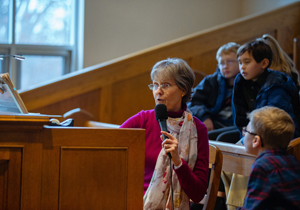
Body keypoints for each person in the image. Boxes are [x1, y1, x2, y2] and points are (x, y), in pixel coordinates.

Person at [120, 58, 209, 209]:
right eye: (155, 85)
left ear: (183, 89)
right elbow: (111, 146)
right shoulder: (142, 120)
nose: (158, 91)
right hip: (134, 203)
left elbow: (198, 194)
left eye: (165, 85)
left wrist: (178, 161)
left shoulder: (198, 130)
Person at [233, 39, 300, 139]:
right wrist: (245, 131)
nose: (242, 67)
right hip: (254, 133)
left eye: (247, 62)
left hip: (278, 136)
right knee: (221, 141)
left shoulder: (277, 83)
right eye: (240, 62)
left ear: (264, 63)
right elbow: (239, 113)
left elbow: (276, 122)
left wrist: (251, 135)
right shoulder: (240, 81)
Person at [237, 106, 300, 210]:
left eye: (245, 131)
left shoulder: (262, 166)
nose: (243, 134)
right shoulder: (292, 160)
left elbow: (252, 207)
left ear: (256, 141)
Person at [187, 42, 240, 143]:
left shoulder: (246, 82)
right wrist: (205, 117)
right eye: (222, 63)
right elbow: (193, 101)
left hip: (235, 125)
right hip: (215, 122)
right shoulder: (211, 81)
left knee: (215, 138)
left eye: (230, 62)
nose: (225, 66)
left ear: (240, 62)